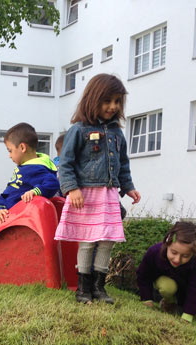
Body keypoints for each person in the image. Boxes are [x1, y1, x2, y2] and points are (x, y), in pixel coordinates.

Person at [55, 73, 141, 304]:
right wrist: (72, 189)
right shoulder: (79, 130)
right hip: (85, 195)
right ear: (93, 99)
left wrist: (129, 188)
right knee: (88, 239)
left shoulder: (117, 133)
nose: (113, 106)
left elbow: (123, 164)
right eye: (107, 101)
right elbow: (66, 163)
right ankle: (83, 289)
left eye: (117, 102)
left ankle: (99, 287)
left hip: (109, 195)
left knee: (107, 239)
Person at [137, 221, 196, 335]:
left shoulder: (194, 263)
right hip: (164, 281)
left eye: (185, 256)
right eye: (173, 252)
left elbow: (195, 289)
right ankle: (169, 303)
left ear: (193, 253)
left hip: (184, 289)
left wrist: (187, 317)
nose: (177, 259)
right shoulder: (154, 252)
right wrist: (147, 299)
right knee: (168, 287)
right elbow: (143, 275)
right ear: (167, 243)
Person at [0, 122, 60, 210]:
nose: (9, 156)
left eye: (10, 151)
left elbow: (53, 183)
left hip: (14, 215)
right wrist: (0, 205)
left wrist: (35, 191)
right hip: (4, 210)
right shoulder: (28, 166)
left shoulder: (37, 168)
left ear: (22, 147)